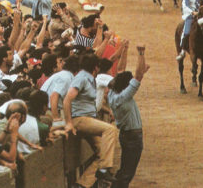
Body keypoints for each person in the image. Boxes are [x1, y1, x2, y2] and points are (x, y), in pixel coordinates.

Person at [63, 53, 118, 188]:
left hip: (87, 118)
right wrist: (69, 122)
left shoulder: (88, 78)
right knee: (111, 129)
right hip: (80, 119)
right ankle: (103, 170)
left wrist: (106, 110)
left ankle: (81, 184)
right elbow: (67, 99)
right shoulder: (82, 78)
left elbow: (87, 102)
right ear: (96, 67)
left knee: (102, 152)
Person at [109, 45, 149, 188]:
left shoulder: (112, 94)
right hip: (133, 136)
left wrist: (125, 50)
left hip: (126, 134)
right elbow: (138, 76)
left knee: (124, 169)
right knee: (127, 172)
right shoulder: (124, 96)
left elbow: (120, 71)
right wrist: (141, 53)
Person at [41, 55, 79, 121]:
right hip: (50, 111)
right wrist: (56, 118)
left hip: (47, 109)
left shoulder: (63, 74)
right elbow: (53, 96)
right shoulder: (66, 77)